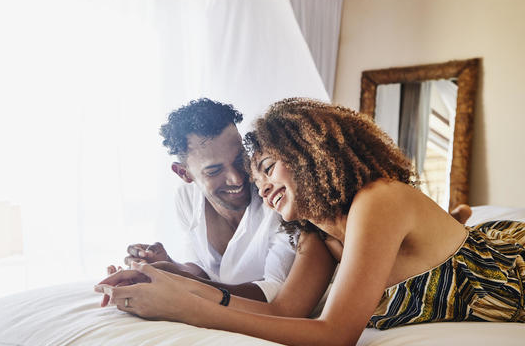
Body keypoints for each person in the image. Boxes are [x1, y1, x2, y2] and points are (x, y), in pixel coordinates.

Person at [96, 98, 524, 346]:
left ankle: (460, 226)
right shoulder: (316, 234)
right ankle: (457, 223)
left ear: (308, 156)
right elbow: (285, 311)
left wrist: (189, 309)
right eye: (257, 174)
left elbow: (334, 335)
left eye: (265, 166)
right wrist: (166, 282)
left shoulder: (380, 201)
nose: (258, 187)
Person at [107, 98, 296, 303]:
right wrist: (169, 266)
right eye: (214, 170)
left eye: (240, 158)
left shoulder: (279, 201)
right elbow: (205, 271)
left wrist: (175, 280)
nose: (237, 178)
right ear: (184, 173)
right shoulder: (186, 198)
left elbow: (275, 290)